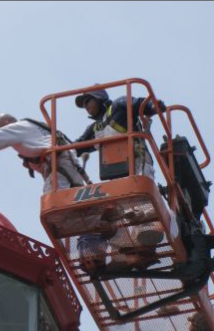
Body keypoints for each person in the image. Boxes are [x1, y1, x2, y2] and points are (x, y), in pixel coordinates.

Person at [74, 87, 178, 271]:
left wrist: (156, 106)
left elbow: (142, 105)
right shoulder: (95, 128)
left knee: (142, 202)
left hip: (137, 162)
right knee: (122, 209)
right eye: (83, 105)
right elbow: (77, 146)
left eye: (88, 101)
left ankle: (148, 240)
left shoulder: (119, 105)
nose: (86, 107)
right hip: (115, 174)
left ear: (98, 98)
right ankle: (131, 251)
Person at [0, 114, 88, 192]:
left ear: (7, 124)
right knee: (76, 207)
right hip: (70, 166)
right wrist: (31, 162)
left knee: (55, 206)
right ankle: (93, 238)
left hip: (61, 167)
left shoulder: (19, 128)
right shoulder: (35, 132)